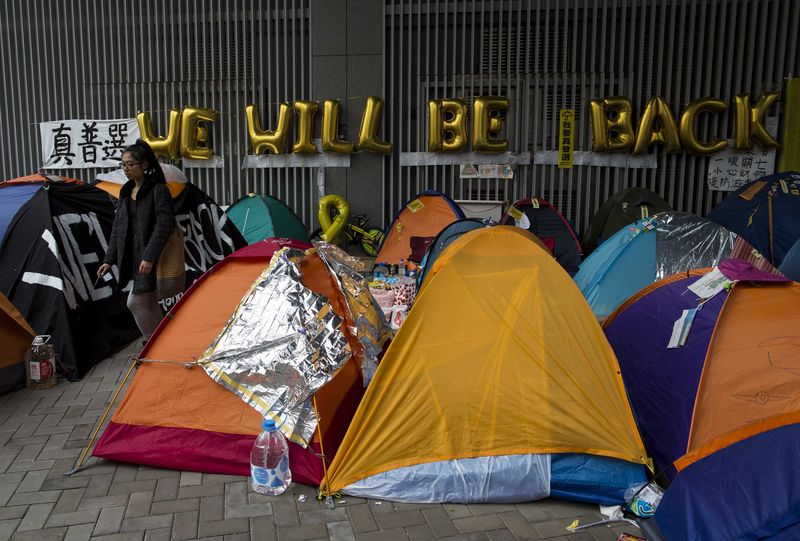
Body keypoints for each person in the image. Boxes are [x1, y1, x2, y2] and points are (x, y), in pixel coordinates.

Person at [97, 140, 175, 341]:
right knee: (147, 302)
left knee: (136, 302)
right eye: (123, 164)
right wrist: (109, 259)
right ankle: (163, 343)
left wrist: (149, 256)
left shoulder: (158, 190)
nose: (126, 169)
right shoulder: (125, 192)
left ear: (145, 165)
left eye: (131, 164)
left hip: (150, 258)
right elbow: (118, 229)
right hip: (133, 258)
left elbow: (164, 225)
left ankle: (153, 343)